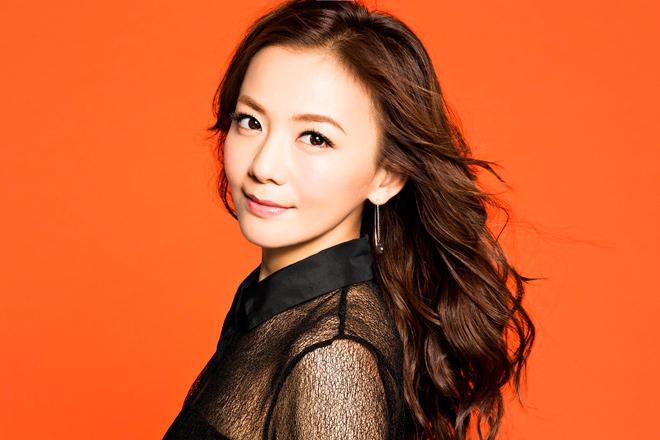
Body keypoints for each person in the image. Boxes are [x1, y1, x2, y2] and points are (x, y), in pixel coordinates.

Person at [163, 1, 535, 439]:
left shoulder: (332, 358)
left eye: (315, 137)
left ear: (386, 176)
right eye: (250, 121)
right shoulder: (277, 312)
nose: (263, 166)